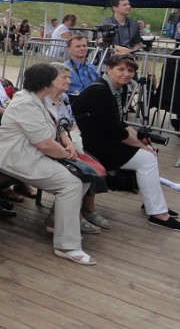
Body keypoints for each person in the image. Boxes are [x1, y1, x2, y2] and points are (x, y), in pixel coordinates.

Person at [0, 63, 97, 263]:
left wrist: (68, 145)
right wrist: (69, 156)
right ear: (45, 83)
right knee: (72, 183)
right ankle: (67, 246)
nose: (64, 81)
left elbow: (57, 129)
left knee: (82, 178)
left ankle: (57, 223)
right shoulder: (25, 103)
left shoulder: (42, 100)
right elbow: (45, 144)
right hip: (16, 158)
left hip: (33, 155)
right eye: (56, 78)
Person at [73, 55, 180, 231]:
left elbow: (119, 123)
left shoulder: (116, 89)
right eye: (121, 69)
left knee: (148, 154)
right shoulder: (100, 91)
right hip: (91, 145)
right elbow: (116, 131)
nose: (126, 74)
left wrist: (139, 138)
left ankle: (153, 205)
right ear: (109, 69)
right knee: (147, 158)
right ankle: (157, 213)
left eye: (130, 70)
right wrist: (140, 145)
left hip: (102, 139)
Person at [46, 62, 108, 234]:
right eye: (64, 77)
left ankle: (88, 209)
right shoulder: (42, 99)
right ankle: (70, 215)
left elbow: (72, 124)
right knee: (80, 170)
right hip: (50, 145)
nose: (68, 81)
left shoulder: (64, 97)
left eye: (70, 77)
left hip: (68, 141)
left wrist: (76, 142)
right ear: (51, 79)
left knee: (93, 163)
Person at [64, 35, 99, 99]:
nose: (82, 48)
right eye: (78, 46)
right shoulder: (64, 69)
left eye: (84, 46)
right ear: (69, 49)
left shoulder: (91, 67)